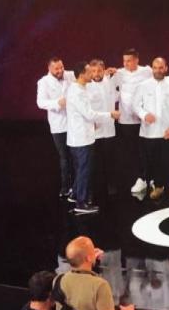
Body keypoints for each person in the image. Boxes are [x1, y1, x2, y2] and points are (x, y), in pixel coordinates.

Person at [66, 62, 121, 214]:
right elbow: (89, 114)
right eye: (90, 72)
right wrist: (110, 114)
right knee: (84, 170)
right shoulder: (77, 92)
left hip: (82, 137)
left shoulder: (79, 88)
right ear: (82, 74)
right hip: (81, 138)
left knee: (81, 169)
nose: (93, 74)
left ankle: (75, 194)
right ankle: (81, 204)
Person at [134, 58, 169, 201]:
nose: (158, 70)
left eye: (161, 67)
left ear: (166, 68)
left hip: (168, 132)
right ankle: (158, 186)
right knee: (154, 161)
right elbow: (135, 105)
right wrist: (144, 115)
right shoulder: (143, 86)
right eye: (155, 67)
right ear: (152, 69)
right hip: (149, 132)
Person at [55, 236, 135, 310]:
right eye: (93, 249)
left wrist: (87, 257)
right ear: (89, 258)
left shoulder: (58, 280)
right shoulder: (100, 285)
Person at [111, 49, 152, 194]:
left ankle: (150, 178)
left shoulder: (146, 71)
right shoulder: (119, 73)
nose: (125, 63)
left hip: (143, 119)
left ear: (136, 60)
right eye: (124, 61)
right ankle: (139, 179)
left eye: (128, 60)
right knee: (132, 152)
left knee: (146, 150)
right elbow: (108, 88)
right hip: (126, 121)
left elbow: (162, 79)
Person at [37, 57, 75, 199]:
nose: (60, 71)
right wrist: (58, 103)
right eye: (56, 69)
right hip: (58, 125)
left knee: (75, 156)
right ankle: (65, 187)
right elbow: (40, 103)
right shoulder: (43, 82)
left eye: (61, 67)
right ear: (49, 69)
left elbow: (84, 72)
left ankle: (76, 186)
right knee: (64, 157)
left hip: (73, 123)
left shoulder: (70, 75)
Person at [87, 60, 119, 198]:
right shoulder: (87, 86)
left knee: (110, 160)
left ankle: (111, 186)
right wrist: (90, 123)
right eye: (93, 71)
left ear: (103, 70)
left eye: (99, 71)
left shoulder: (109, 82)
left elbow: (117, 96)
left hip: (109, 129)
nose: (96, 74)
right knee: (95, 162)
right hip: (95, 130)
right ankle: (95, 189)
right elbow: (86, 108)